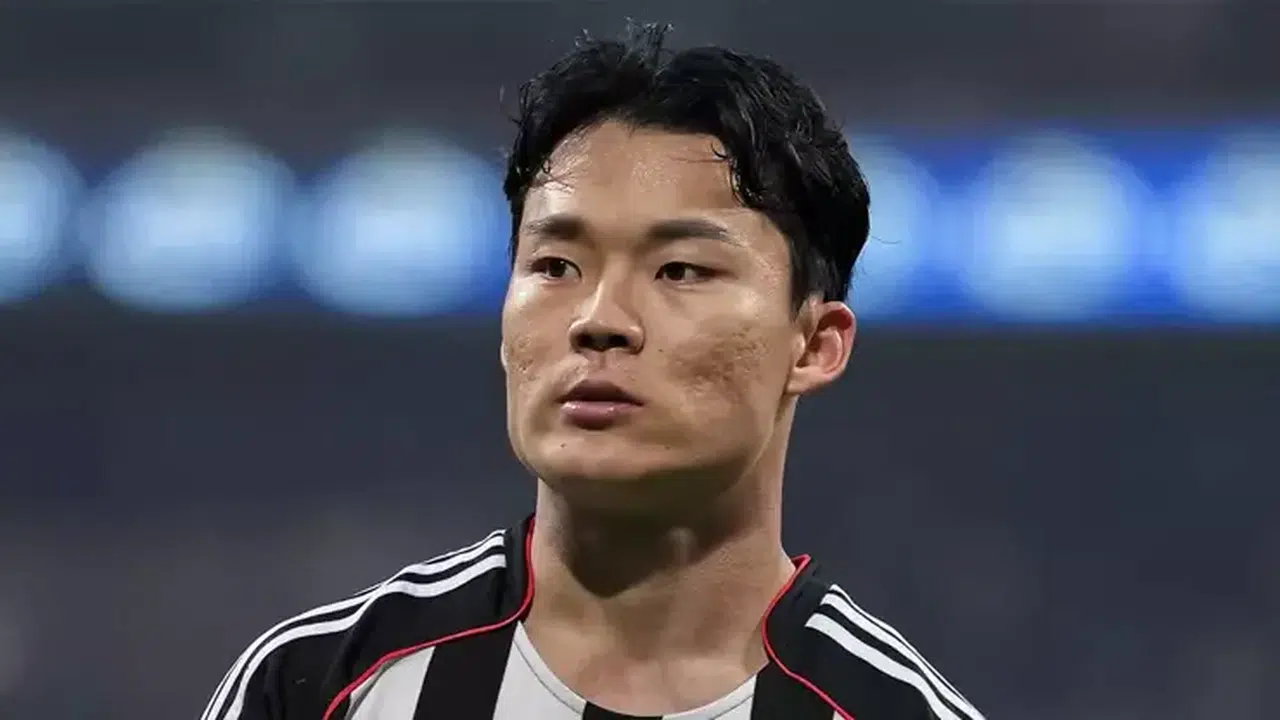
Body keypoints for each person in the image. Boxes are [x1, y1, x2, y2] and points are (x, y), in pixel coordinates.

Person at [200, 22, 984, 720]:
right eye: (555, 266)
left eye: (679, 270)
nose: (598, 318)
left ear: (814, 345)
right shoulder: (315, 687)